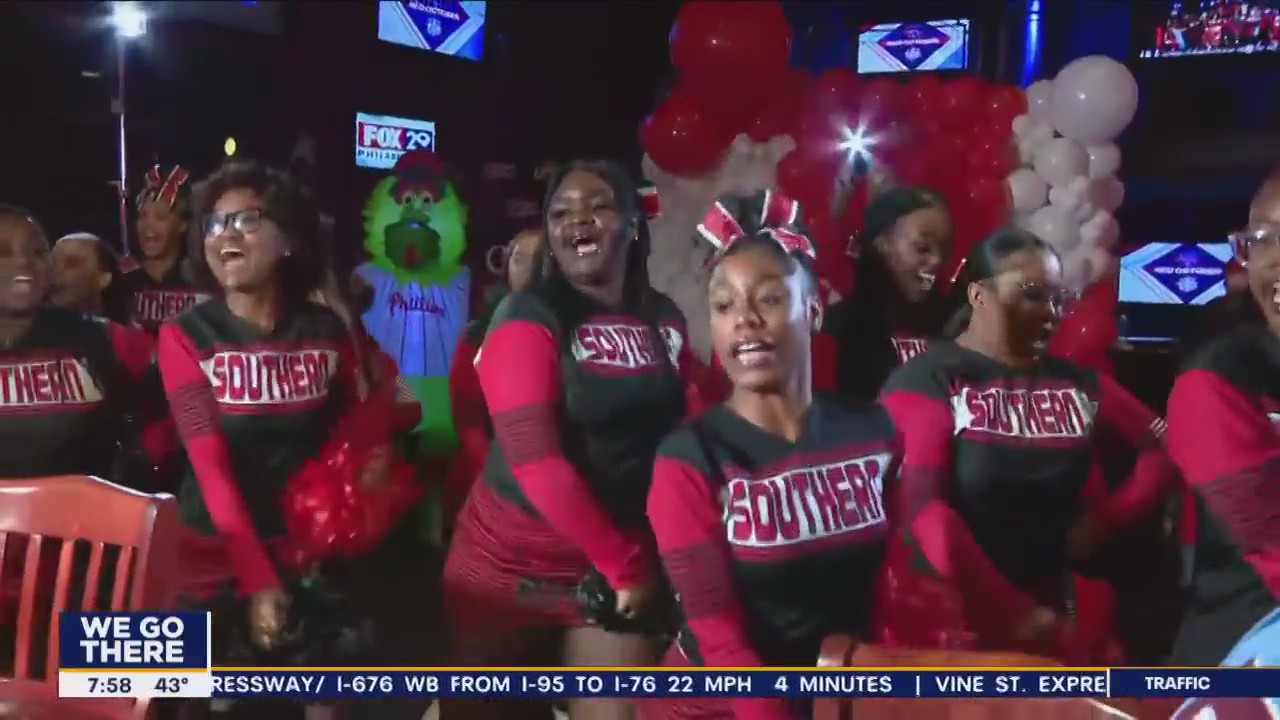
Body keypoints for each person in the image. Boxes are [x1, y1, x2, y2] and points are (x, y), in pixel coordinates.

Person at [157, 162, 419, 719]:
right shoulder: (185, 336)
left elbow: (391, 405)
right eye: (214, 223)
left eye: (247, 219)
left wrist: (372, 453)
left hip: (308, 558)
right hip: (212, 561)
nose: (225, 234)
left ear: (289, 240)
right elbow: (209, 465)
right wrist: (259, 582)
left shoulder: (327, 330)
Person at [441, 160, 697, 720]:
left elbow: (686, 432)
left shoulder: (664, 317)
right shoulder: (525, 314)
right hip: (508, 567)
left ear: (633, 222)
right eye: (560, 212)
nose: (577, 218)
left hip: (611, 566)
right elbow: (534, 460)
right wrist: (625, 564)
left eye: (598, 205)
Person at [873, 228, 1175, 662]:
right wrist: (1022, 620)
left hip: (1057, 613)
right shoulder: (929, 380)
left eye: (1058, 298)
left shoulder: (1074, 383)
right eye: (1032, 295)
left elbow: (1162, 443)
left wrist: (1108, 519)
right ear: (979, 295)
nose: (1051, 312)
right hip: (959, 625)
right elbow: (922, 514)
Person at [642, 231, 897, 720]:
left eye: (768, 299)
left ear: (814, 311)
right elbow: (719, 638)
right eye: (724, 306)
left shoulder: (872, 430)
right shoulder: (689, 458)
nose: (744, 319)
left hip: (833, 697)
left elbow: (896, 588)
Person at [1164, 171, 1280, 669]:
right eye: (1262, 239)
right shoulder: (1216, 379)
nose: (1275, 257)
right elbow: (1271, 545)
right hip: (1247, 649)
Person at [443, 228, 543, 528]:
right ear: (506, 265)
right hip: (490, 473)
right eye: (521, 258)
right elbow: (464, 410)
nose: (531, 268)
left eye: (541, 258)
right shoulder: (479, 333)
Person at [818, 186, 952, 403]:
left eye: (944, 249)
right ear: (882, 244)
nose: (937, 260)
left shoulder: (954, 326)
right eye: (923, 248)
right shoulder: (841, 328)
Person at [114, 163, 208, 334]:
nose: (148, 226)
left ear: (183, 224)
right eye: (142, 215)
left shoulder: (203, 279)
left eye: (160, 217)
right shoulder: (119, 277)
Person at [50, 231, 127, 323]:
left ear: (103, 279)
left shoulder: (121, 330)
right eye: (52, 263)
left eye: (72, 263)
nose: (55, 271)